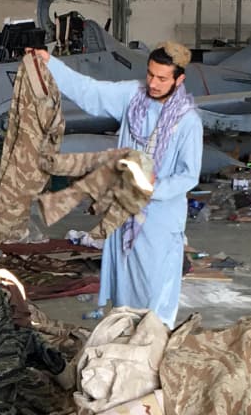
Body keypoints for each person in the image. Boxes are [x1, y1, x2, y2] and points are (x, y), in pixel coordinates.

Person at [25, 41, 203, 325]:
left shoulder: (188, 122)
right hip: (123, 212)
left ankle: (151, 348)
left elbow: (189, 175)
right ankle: (122, 342)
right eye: (150, 75)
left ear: (179, 80)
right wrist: (50, 64)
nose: (153, 84)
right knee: (124, 290)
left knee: (155, 295)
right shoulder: (133, 96)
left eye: (162, 78)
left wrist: (151, 188)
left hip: (159, 221)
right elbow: (90, 91)